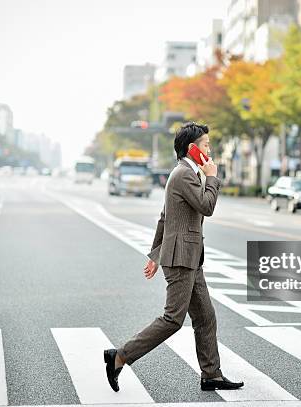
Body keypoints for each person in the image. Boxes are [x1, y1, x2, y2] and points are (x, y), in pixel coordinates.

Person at [103, 122, 244, 392]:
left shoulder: (184, 173)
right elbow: (207, 206)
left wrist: (156, 255)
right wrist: (212, 177)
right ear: (193, 149)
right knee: (172, 320)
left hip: (189, 257)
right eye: (205, 144)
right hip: (181, 259)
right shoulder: (184, 175)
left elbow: (165, 218)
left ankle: (211, 375)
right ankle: (119, 356)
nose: (209, 149)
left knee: (206, 317)